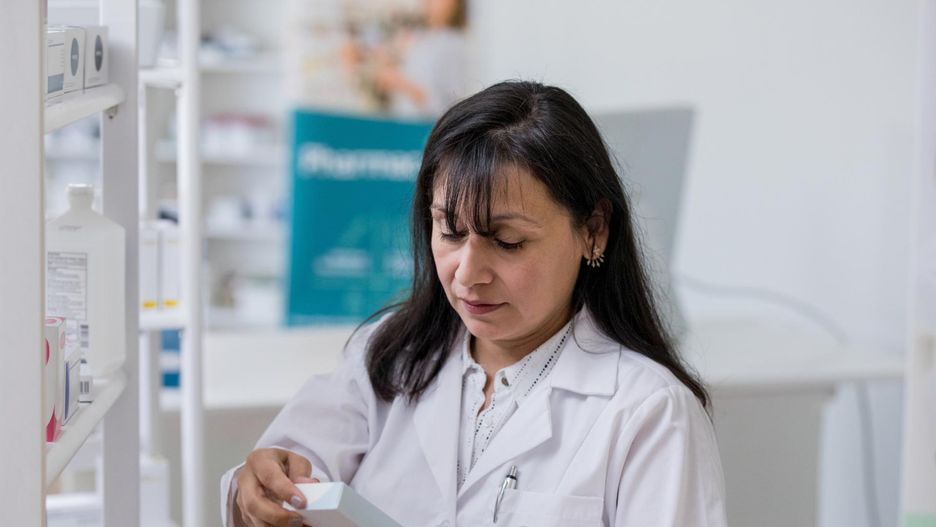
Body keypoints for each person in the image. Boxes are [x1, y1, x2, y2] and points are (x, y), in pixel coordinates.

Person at [221, 80, 727, 527]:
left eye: (507, 242)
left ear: (593, 231)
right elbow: (282, 474)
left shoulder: (648, 412)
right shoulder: (389, 356)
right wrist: (262, 491)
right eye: (450, 230)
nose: (467, 273)